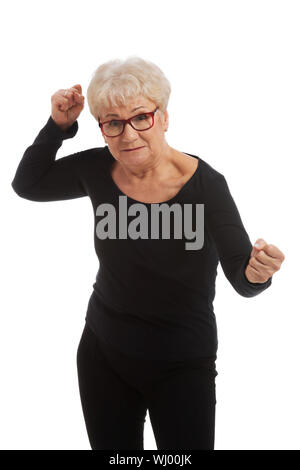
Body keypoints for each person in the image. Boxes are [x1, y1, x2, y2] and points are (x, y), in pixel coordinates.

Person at [11, 56, 285, 450]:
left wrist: (259, 274)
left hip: (181, 364)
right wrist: (58, 126)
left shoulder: (206, 186)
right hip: (103, 354)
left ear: (164, 118)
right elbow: (28, 184)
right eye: (113, 123)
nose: (128, 135)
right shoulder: (96, 169)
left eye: (141, 116)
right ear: (102, 128)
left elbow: (242, 277)